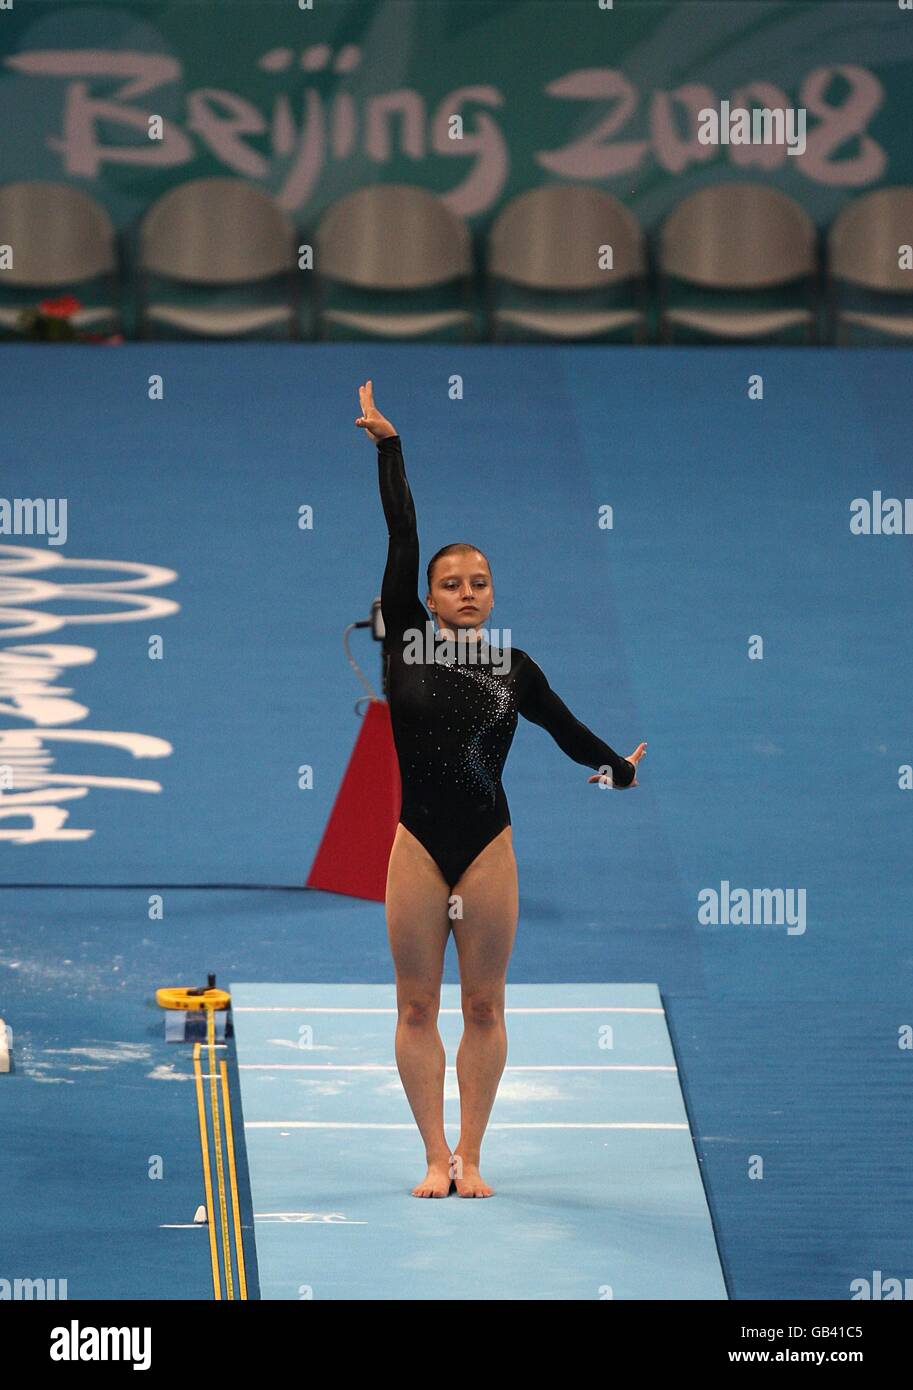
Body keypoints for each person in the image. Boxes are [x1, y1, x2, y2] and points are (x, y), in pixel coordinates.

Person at [356, 380, 646, 1198]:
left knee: (483, 1007)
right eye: (452, 583)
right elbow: (402, 529)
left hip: (486, 849)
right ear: (425, 598)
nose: (466, 592)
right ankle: (431, 1155)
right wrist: (389, 446)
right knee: (416, 1008)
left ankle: (473, 1156)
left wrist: (616, 768)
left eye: (479, 582)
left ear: (492, 594)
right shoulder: (405, 642)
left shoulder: (512, 668)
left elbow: (564, 729)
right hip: (416, 847)